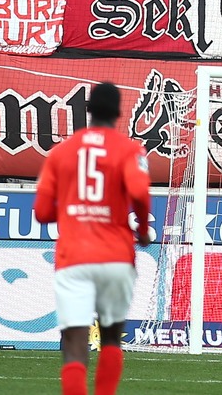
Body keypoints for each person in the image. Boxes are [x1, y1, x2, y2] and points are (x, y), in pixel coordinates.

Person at [33, 81, 155, 395]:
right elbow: (140, 193)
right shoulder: (131, 150)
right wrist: (141, 230)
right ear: (118, 113)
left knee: (74, 343)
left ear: (87, 111)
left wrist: (75, 211)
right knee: (112, 337)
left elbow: (43, 212)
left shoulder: (61, 152)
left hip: (74, 256)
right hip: (116, 256)